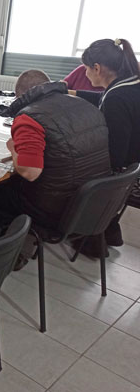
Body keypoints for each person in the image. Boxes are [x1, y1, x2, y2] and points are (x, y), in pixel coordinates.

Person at [0, 70, 111, 264]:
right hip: (94, 201)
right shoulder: (86, 105)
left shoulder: (30, 117)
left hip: (57, 210)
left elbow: (30, 172)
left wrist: (13, 149)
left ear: (20, 96)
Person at [71, 38, 140, 252]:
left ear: (97, 68)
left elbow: (115, 156)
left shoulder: (117, 98)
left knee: (67, 173)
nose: (85, 74)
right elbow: (104, 97)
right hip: (134, 167)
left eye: (86, 69)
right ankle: (108, 230)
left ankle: (88, 233)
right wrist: (70, 92)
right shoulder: (130, 84)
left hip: (128, 175)